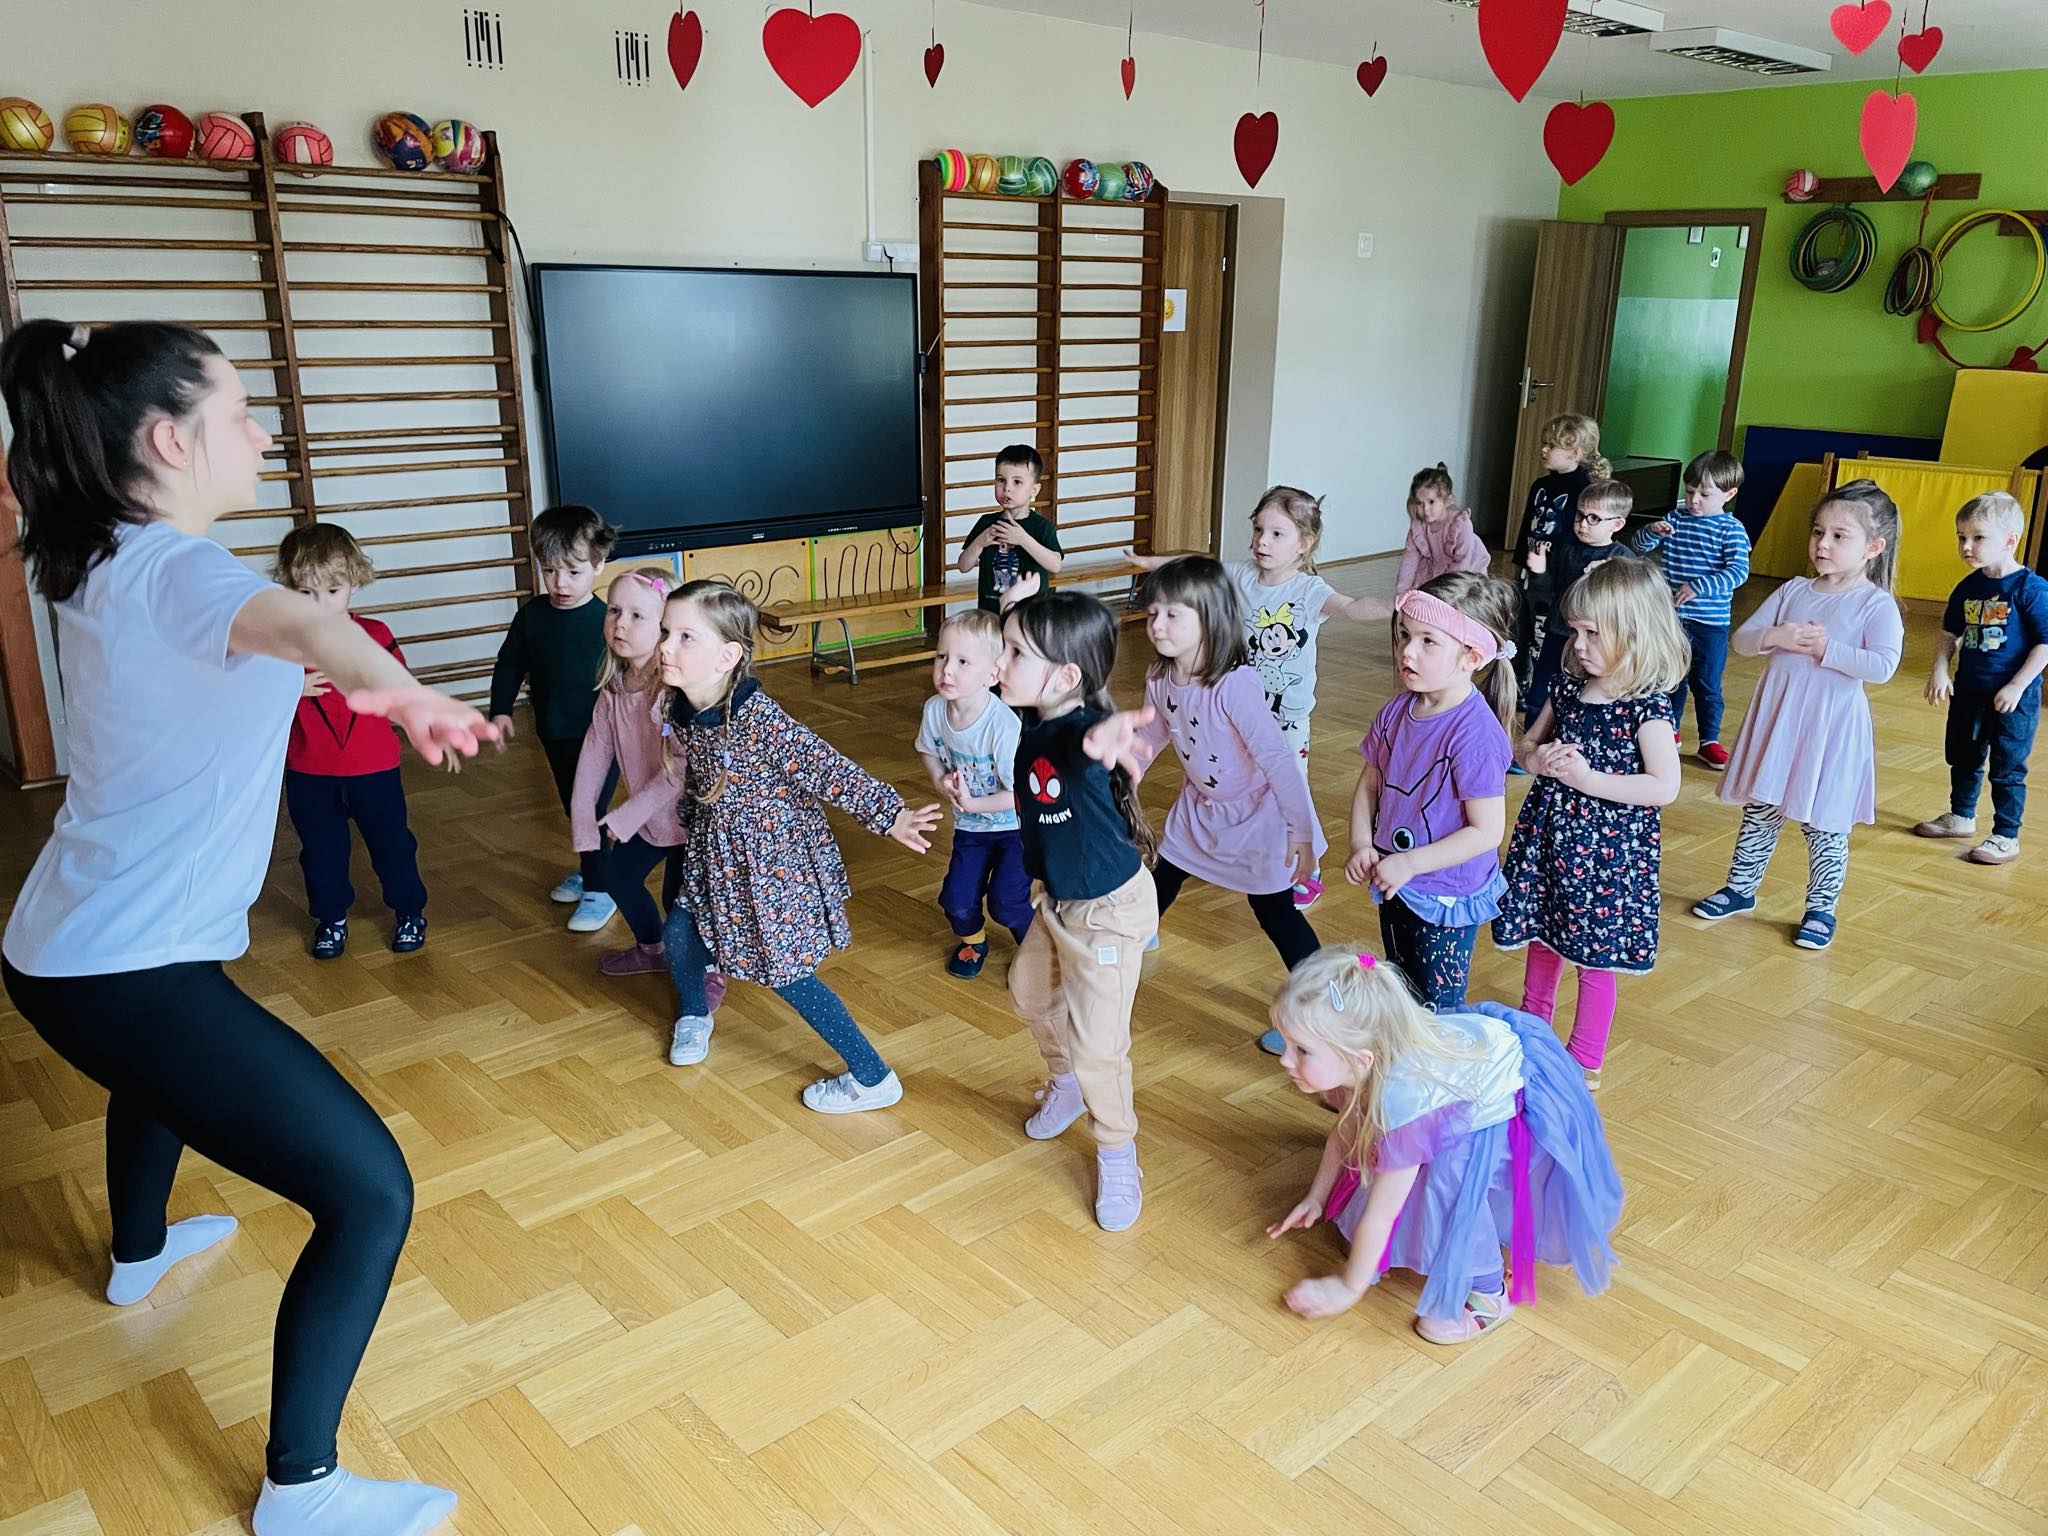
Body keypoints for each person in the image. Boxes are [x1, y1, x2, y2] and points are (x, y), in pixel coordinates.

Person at [0, 319, 492, 1536]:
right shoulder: (189, 574)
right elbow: (311, 625)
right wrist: (398, 689)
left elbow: (240, 660)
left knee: (156, 1076)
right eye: (237, 410)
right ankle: (301, 1489)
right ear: (169, 440)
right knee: (369, 1194)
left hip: (66, 945)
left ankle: (138, 1253)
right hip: (124, 967)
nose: (263, 432)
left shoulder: (105, 553)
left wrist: (325, 678)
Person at [654, 581, 940, 1110]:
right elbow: (704, 772)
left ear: (727, 656)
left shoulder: (761, 720)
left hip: (769, 868)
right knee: (679, 932)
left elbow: (827, 767)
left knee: (786, 975)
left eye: (685, 636)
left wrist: (891, 814)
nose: (666, 646)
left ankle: (873, 1077)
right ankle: (695, 1012)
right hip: (716, 854)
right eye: (665, 632)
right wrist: (692, 817)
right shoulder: (682, 705)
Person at [1264, 947, 1624, 1345]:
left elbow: (1382, 1216)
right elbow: (1347, 1129)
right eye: (1287, 1044)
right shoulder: (1361, 1067)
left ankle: (1491, 1291)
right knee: (1402, 1169)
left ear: (1360, 1060)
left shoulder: (1404, 1100)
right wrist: (1317, 1196)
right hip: (1465, 1073)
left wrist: (1348, 1288)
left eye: (1302, 1050)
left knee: (1447, 1181)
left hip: (1507, 1089)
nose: (1285, 1061)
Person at [1084, 555, 1323, 1056]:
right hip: (1201, 809)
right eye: (1153, 613)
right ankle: (1116, 964)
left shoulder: (1234, 685)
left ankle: (1322, 1014)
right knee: (1158, 884)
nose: (1157, 624)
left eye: (1173, 614)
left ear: (1210, 619)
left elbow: (1277, 759)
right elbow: (1155, 733)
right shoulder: (1160, 675)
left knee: (1275, 913)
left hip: (1258, 816)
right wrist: (1123, 779)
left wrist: (1300, 831)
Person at [1126, 485, 1391, 907]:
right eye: (1258, 530)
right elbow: (1196, 568)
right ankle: (1235, 854)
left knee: (1289, 784)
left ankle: (1306, 865)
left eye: (1277, 534)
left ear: (1305, 543)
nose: (1262, 541)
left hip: (1285, 718)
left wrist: (1401, 604)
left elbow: (1354, 607)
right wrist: (1152, 564)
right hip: (1232, 710)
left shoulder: (1309, 591)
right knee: (1234, 783)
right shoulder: (1241, 575)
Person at [997, 587, 1160, 1230]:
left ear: (1067, 677)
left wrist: (1103, 735)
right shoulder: (1037, 720)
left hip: (1108, 913)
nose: (1001, 661)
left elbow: (1081, 743)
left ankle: (1118, 1153)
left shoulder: (1073, 732)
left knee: (1100, 1046)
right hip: (1059, 900)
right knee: (1030, 995)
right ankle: (1065, 1084)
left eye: (1015, 652)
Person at [1493, 559, 1687, 1089]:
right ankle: (1532, 1035)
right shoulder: (1567, 689)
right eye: (1575, 631)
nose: (1578, 644)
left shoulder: (1647, 709)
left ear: (1636, 632)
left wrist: (1587, 778)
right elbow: (1524, 745)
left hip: (1606, 857)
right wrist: (1535, 759)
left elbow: (1664, 787)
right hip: (1550, 840)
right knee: (1542, 936)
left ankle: (1584, 1058)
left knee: (1594, 957)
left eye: (1592, 633)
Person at [1691, 480, 1904, 951]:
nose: (1822, 543)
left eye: (1839, 536)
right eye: (1818, 531)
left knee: (1825, 822)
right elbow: (1743, 640)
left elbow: (1883, 666)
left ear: (1873, 547)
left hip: (1830, 730)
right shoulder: (1793, 590)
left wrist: (1829, 649)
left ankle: (1821, 908)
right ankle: (1741, 888)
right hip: (1779, 722)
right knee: (1761, 808)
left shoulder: (1875, 603)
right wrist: (1776, 637)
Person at [1346, 572, 1517, 1010]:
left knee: (1439, 1007)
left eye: (1427, 641)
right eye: (1405, 635)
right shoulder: (1396, 711)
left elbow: (1486, 832)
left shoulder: (1475, 735)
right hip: (1396, 875)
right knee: (1401, 988)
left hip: (1445, 892)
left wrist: (1410, 863)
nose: (1407, 650)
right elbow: (1370, 783)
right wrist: (1362, 843)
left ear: (1471, 657)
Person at [272, 523, 429, 960]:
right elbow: (253, 702)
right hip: (309, 773)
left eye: (332, 590)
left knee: (393, 845)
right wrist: (291, 688)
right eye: (305, 593)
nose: (320, 604)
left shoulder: (376, 634)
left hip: (374, 770)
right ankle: (330, 918)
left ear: (354, 584)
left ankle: (409, 911)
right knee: (321, 853)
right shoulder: (280, 644)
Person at [574, 568, 710, 992]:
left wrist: (627, 814)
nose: (620, 623)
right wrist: (583, 818)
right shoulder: (615, 687)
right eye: (614, 611)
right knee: (617, 877)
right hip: (651, 820)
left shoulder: (672, 691)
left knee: (681, 904)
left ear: (664, 629)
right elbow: (595, 751)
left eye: (637, 616)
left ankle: (708, 971)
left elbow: (679, 769)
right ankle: (652, 950)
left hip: (692, 820)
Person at [488, 503, 620, 930]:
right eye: (549, 571)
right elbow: (510, 664)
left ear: (598, 565)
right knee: (573, 806)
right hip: (555, 730)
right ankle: (592, 867)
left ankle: (602, 888)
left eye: (573, 572)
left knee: (589, 807)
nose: (560, 583)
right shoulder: (532, 616)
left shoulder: (608, 621)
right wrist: (500, 710)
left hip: (603, 736)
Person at [1914, 491, 2048, 866]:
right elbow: (1948, 632)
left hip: (2013, 700)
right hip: (1970, 691)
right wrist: (1940, 669)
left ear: (2009, 540)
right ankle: (1961, 816)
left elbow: (2045, 643)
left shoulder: (2030, 589)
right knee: (1963, 756)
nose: (1966, 546)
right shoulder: (1968, 587)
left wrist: (2018, 684)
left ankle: (2006, 834)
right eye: (1961, 537)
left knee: (2007, 767)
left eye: (1978, 538)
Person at [914, 608, 1030, 979]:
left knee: (1006, 902)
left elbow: (1022, 794)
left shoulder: (1002, 725)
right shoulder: (935, 711)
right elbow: (927, 751)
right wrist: (939, 781)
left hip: (1016, 829)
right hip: (972, 829)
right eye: (942, 656)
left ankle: (1036, 951)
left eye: (963, 661)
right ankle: (974, 942)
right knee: (956, 900)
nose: (947, 669)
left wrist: (974, 803)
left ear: (992, 675)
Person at [1632, 450, 1752, 767]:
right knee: (1671, 679)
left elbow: (1738, 572)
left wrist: (1698, 586)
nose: (1694, 500)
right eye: (1690, 491)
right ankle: (1669, 733)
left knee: (1707, 683)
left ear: (1729, 494)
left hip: (1710, 624)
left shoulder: (1731, 529)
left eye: (1705, 494)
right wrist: (1651, 531)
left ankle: (1709, 740)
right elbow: (1638, 547)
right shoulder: (1675, 518)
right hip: (1671, 620)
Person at [1511, 414, 1608, 702]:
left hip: (1557, 579)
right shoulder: (1540, 485)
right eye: (1544, 443)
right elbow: (1526, 528)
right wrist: (1519, 565)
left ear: (1574, 453)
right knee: (1521, 628)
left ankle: (1544, 691)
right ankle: (1519, 682)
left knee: (1544, 634)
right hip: (1531, 573)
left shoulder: (1584, 489)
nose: (1543, 450)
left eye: (1551, 445)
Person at [1523, 478, 1635, 715]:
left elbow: (1627, 607)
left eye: (1594, 518)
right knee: (1540, 692)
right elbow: (1546, 594)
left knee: (1583, 693)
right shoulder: (1566, 548)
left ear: (1617, 524)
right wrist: (1539, 572)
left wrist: (1603, 579)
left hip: (1598, 641)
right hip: (1558, 633)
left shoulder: (1622, 559)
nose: (1583, 524)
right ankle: (1533, 734)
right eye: (1580, 515)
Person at [957, 443, 1063, 611]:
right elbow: (963, 566)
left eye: (1017, 482)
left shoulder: (1041, 526)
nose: (1007, 489)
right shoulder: (986, 522)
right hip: (991, 612)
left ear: (1034, 490)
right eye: (1001, 480)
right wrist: (980, 542)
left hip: (1029, 615)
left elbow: (1055, 565)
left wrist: (1023, 539)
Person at [1395, 463, 1490, 599]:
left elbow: (1463, 563)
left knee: (1461, 601)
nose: (1426, 510)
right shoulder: (1419, 527)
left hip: (1466, 572)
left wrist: (1443, 594)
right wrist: (1402, 591)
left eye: (1431, 502)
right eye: (1420, 503)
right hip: (1436, 570)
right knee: (1419, 597)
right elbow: (1410, 559)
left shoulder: (1460, 525)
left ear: (1446, 500)